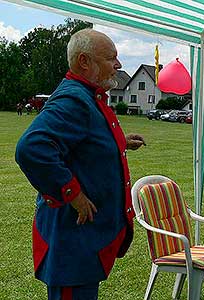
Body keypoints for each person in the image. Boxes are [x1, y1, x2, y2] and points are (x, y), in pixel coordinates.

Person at [15, 29, 145, 299]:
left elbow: (83, 144)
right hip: (72, 242)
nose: (118, 65)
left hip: (82, 242)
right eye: (111, 58)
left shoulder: (85, 95)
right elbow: (32, 147)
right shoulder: (75, 99)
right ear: (85, 62)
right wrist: (73, 194)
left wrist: (119, 143)